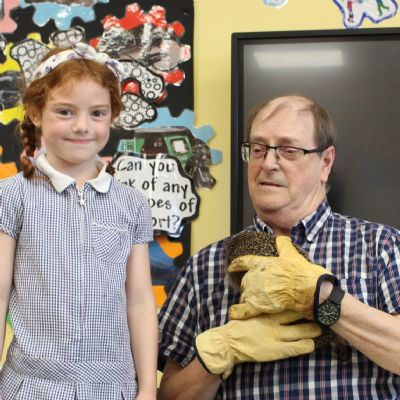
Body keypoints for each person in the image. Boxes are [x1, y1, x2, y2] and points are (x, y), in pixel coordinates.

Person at [157, 94, 400, 399]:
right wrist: (220, 353)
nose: (268, 163)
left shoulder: (381, 247)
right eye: (258, 149)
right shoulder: (204, 267)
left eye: (289, 150)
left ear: (325, 163)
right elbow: (169, 395)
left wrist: (325, 299)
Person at [0, 43, 158, 400]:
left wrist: (148, 388)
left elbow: (139, 301)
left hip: (114, 388)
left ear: (112, 116)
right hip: (32, 387)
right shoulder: (12, 196)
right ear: (36, 112)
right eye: (65, 111)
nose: (82, 126)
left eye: (97, 113)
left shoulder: (131, 204)